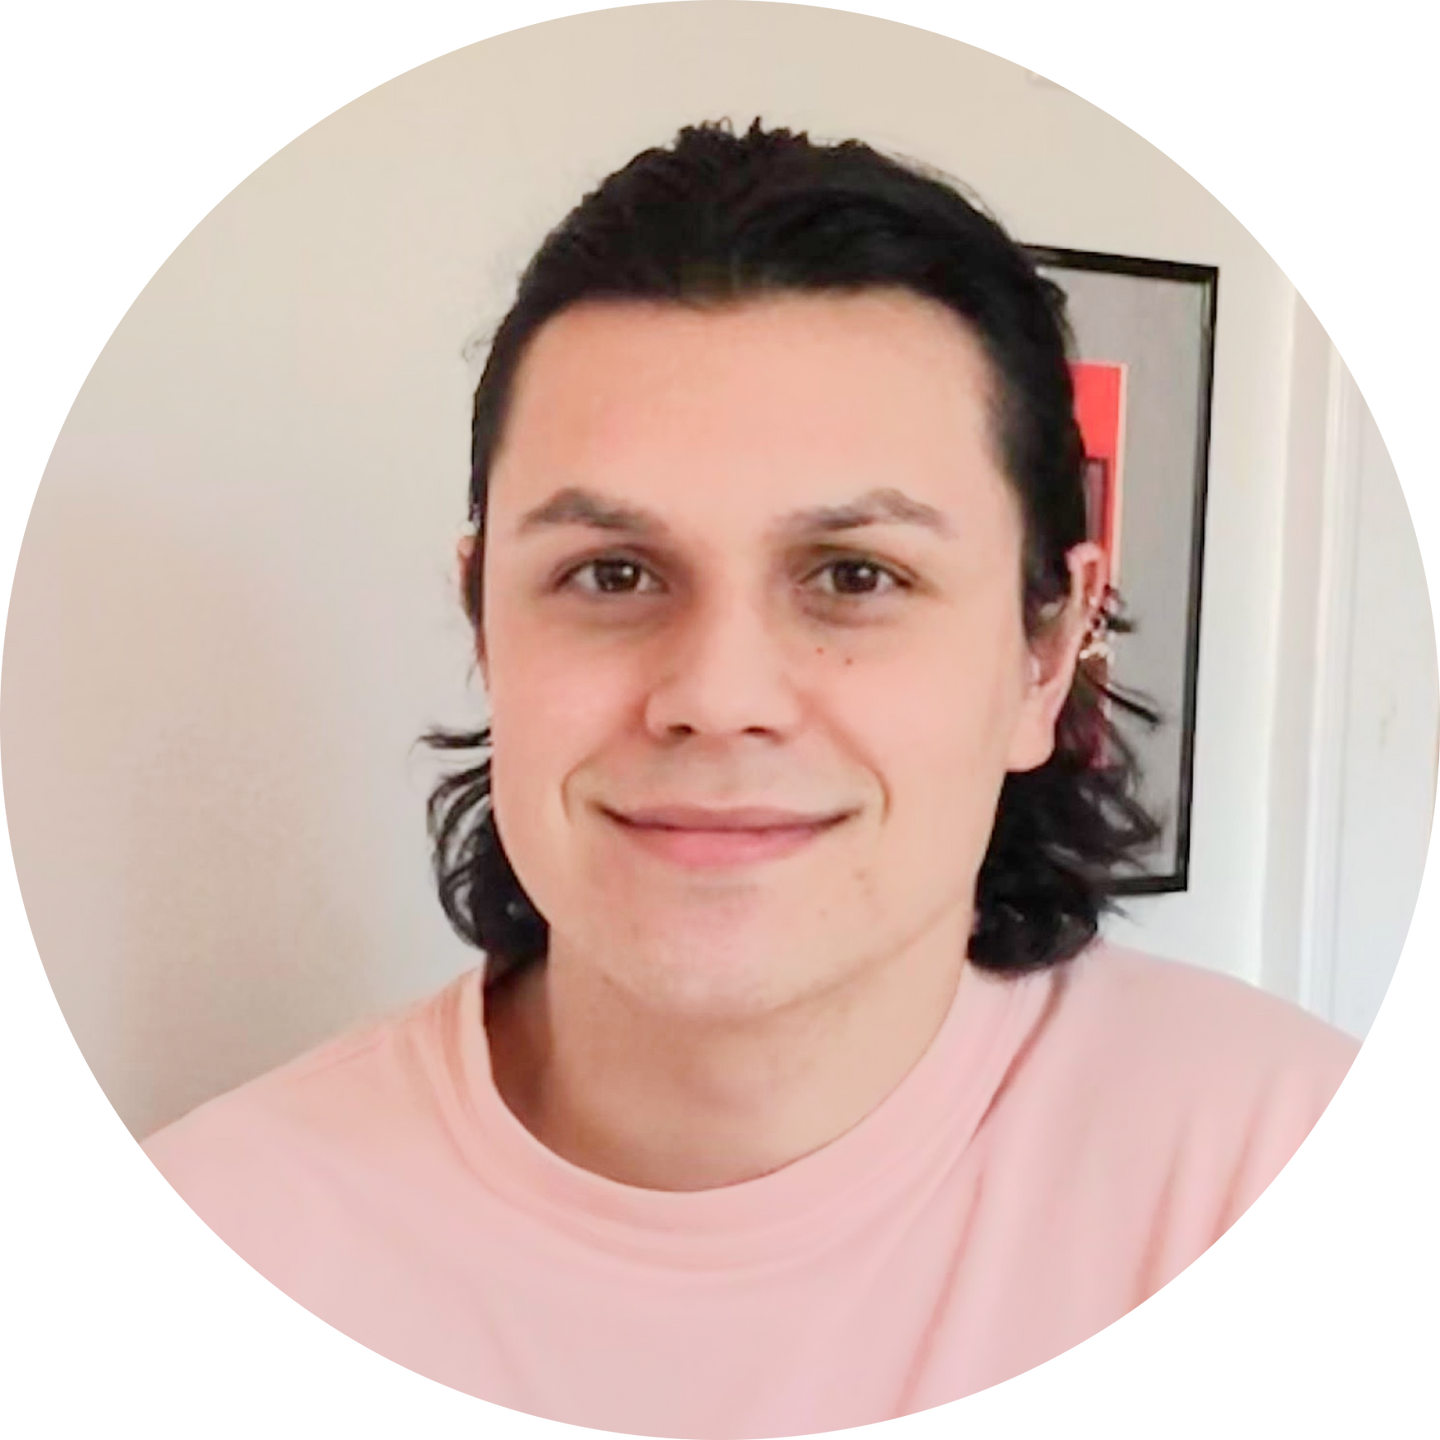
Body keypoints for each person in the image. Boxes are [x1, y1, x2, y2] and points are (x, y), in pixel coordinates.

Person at [139, 119, 1362, 1433]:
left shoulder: (1257, 1156)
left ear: (1046, 654)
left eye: (856, 575)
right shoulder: (243, 1221)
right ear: (484, 622)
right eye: (612, 573)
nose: (718, 696)